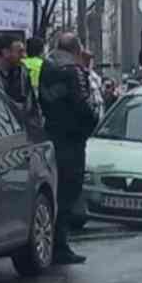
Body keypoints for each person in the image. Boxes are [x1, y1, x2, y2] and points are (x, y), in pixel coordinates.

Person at [38, 32, 99, 265]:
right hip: (73, 139)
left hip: (53, 133)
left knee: (57, 190)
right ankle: (60, 246)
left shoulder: (47, 66)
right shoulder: (73, 71)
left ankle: (53, 243)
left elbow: (44, 99)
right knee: (69, 190)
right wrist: (93, 122)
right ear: (76, 49)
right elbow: (82, 104)